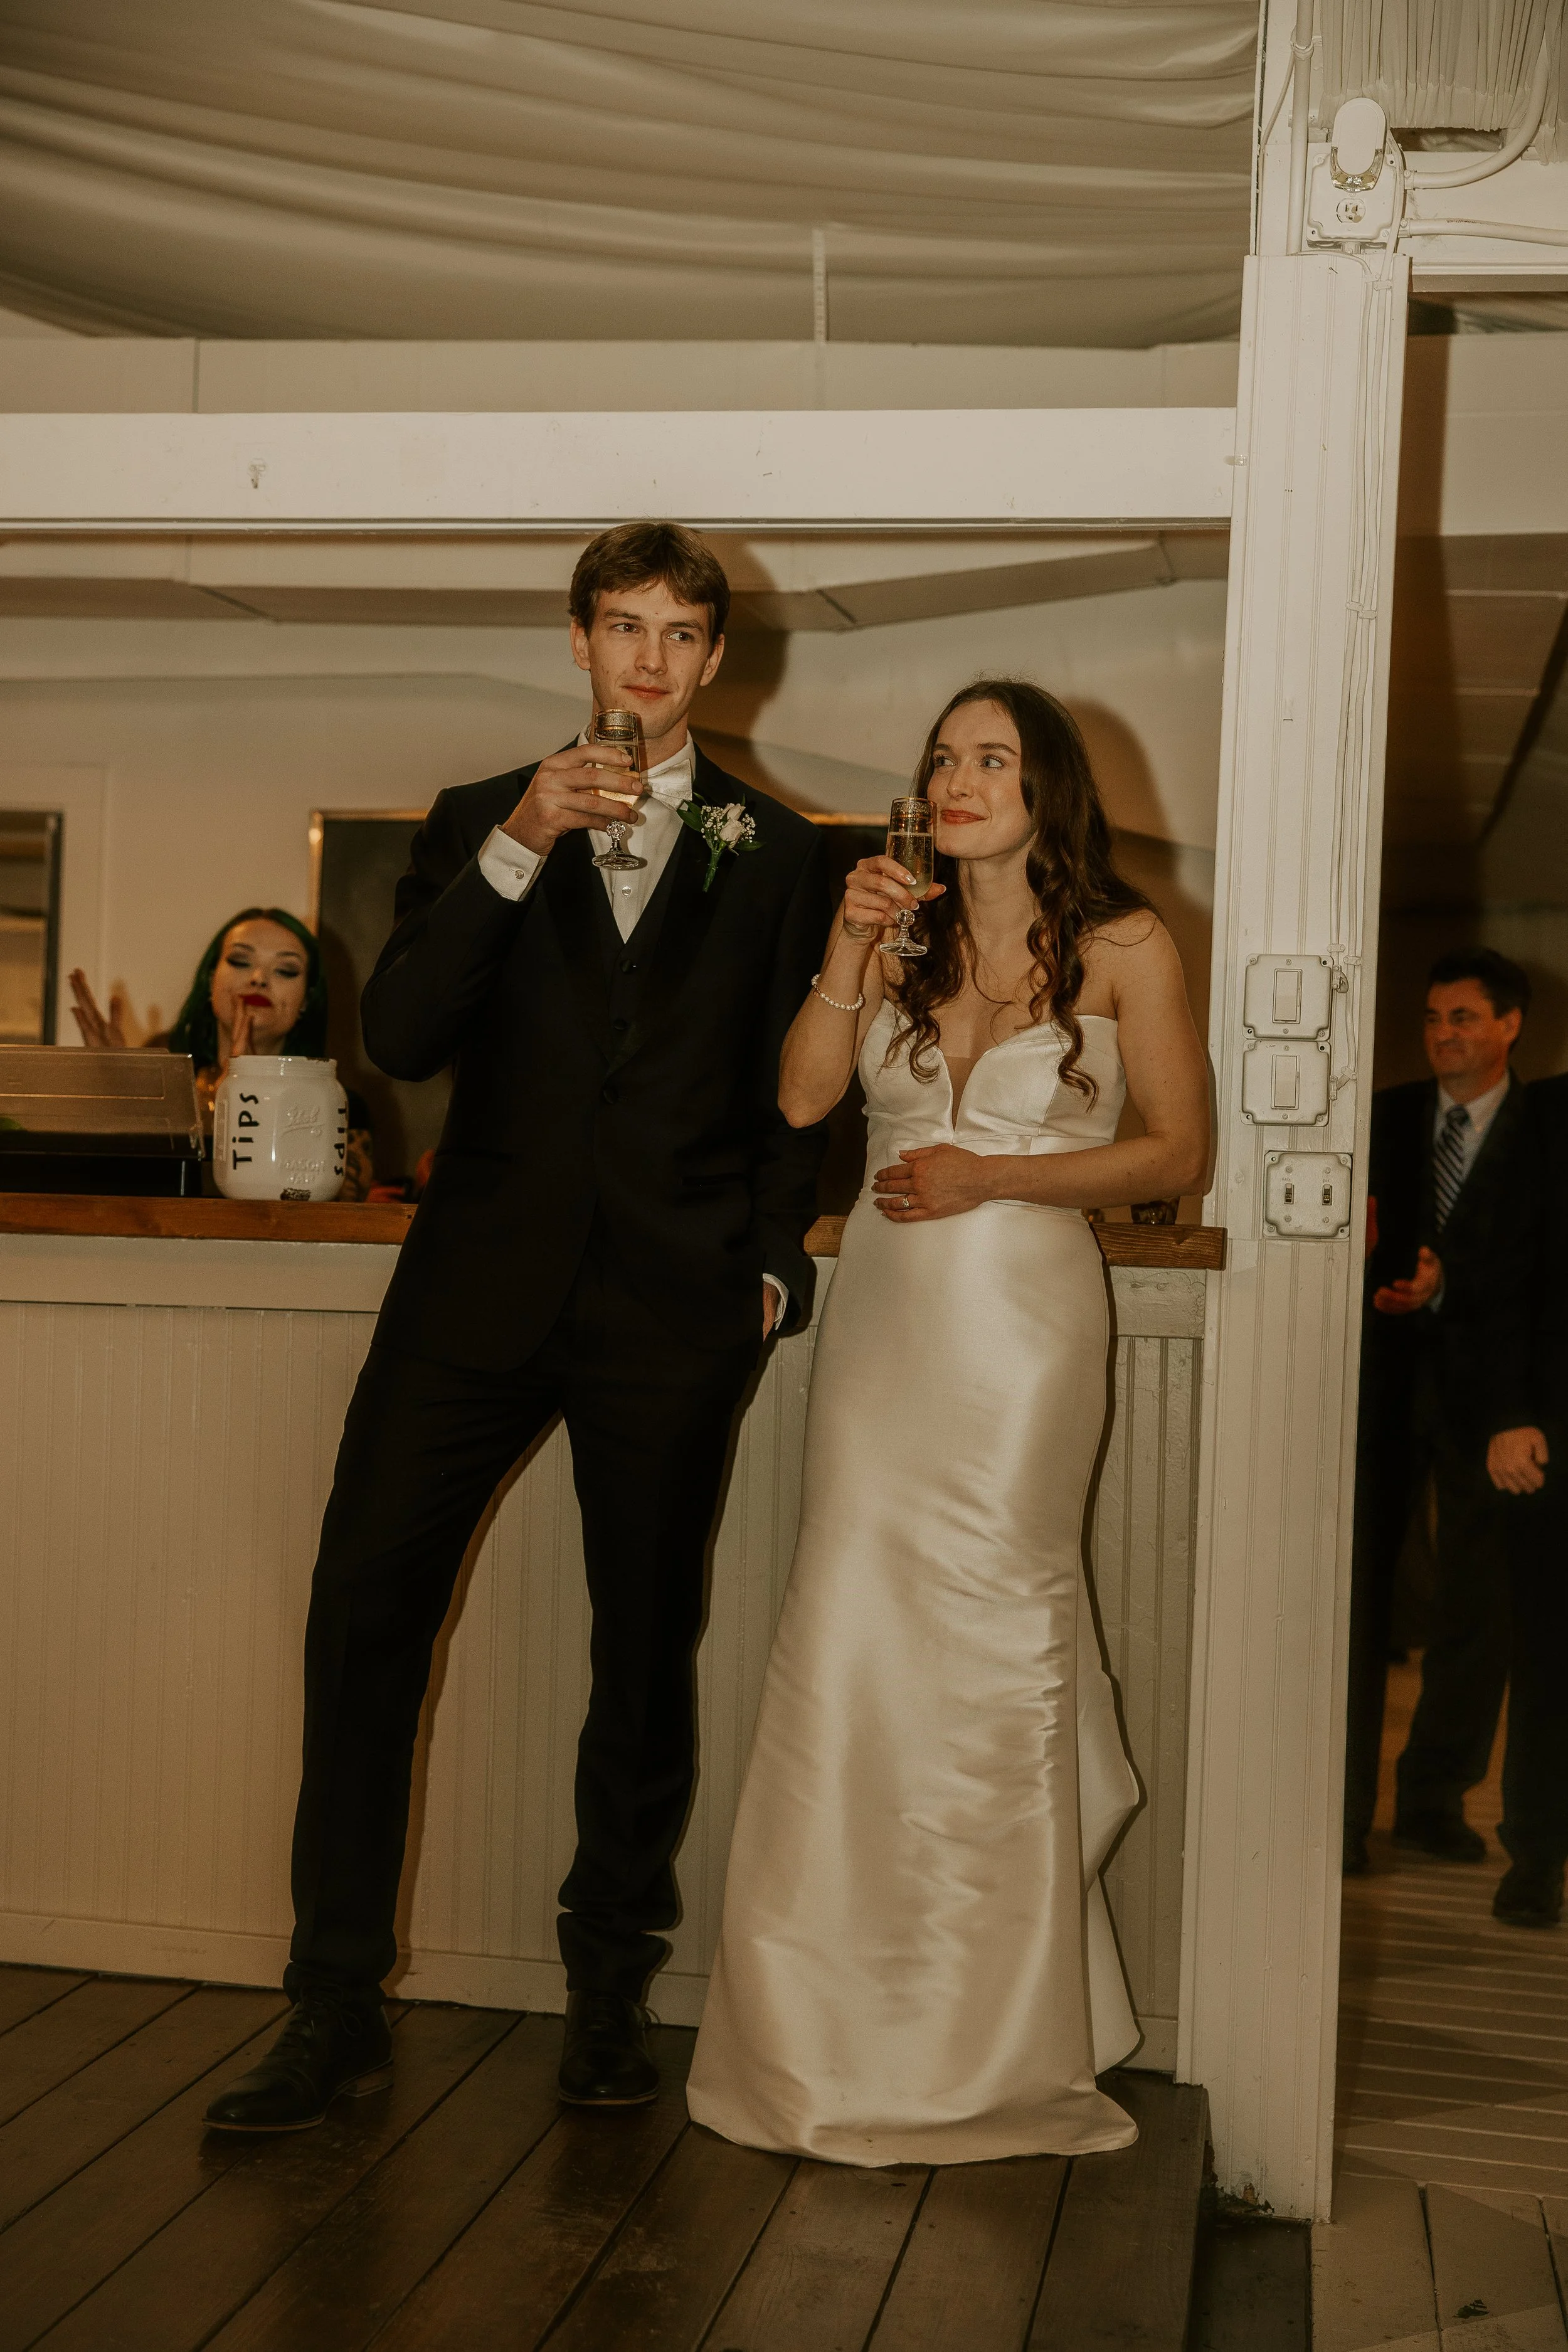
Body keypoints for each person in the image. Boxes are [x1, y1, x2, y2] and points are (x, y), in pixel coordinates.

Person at [204, 521, 830, 2131]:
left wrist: (771, 1260)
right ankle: (330, 2005)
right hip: (470, 1296)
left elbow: (799, 1089)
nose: (649, 659)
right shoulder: (479, 819)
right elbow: (404, 1031)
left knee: (643, 1651)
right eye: (621, 626)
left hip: (673, 1307)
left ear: (715, 657)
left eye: (682, 633)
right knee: (358, 1619)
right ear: (575, 640)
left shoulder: (778, 845)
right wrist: (520, 843)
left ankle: (608, 1994)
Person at [686, 678, 1209, 2165]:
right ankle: (822, 2027)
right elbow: (799, 1105)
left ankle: (990, 2038)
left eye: (993, 756)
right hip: (891, 1330)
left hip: (1026, 1331)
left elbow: (1177, 1146)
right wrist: (848, 942)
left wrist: (998, 1177)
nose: (962, 776)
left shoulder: (1124, 944)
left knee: (996, 1628)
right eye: (944, 758)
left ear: (1049, 784)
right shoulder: (898, 934)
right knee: (849, 1626)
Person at [1342, 949, 1532, 1877]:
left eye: (1463, 1016)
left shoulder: (1545, 1129)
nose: (1443, 1033)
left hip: (1491, 1396)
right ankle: (1339, 1810)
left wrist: (1453, 1282)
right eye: (1432, 1017)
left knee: (1477, 1602)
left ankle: (1432, 1800)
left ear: (1509, 1025)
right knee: (1358, 1597)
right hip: (1380, 1383)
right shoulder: (1381, 1118)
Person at [67, 909, 375, 1201]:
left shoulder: (340, 1107)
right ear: (210, 980)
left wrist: (251, 1087)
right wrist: (115, 1093)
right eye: (240, 961)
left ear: (307, 999)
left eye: (285, 970)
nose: (258, 978)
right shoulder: (164, 1081)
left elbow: (324, 1218)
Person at [1481, 1073, 1568, 1928]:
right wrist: (1508, 1414)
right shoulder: (1546, 1112)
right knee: (1550, 1656)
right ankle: (1539, 1855)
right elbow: (1506, 1272)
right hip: (1555, 1427)